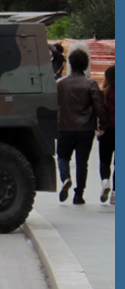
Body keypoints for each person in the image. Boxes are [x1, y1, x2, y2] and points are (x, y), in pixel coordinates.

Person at [56, 48, 109, 204]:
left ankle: (65, 177)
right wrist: (103, 124)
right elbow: (99, 106)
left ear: (70, 64)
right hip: (85, 129)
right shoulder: (90, 84)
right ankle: (79, 194)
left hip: (64, 127)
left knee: (63, 157)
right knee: (81, 163)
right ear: (86, 65)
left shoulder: (60, 84)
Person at [98, 65, 115, 204]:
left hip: (106, 131)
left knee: (105, 161)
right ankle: (115, 193)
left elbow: (99, 112)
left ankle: (105, 182)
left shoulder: (102, 94)